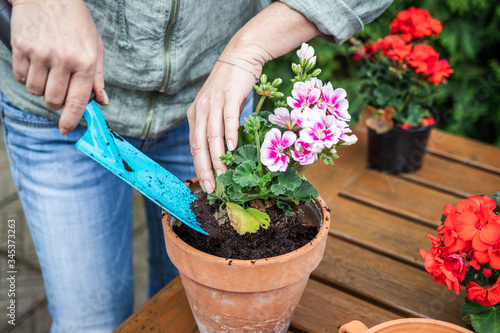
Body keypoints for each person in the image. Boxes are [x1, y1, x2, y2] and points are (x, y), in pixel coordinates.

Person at [0, 0, 392, 331]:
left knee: (182, 308)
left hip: (212, 101)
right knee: (91, 321)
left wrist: (249, 49)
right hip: (59, 95)